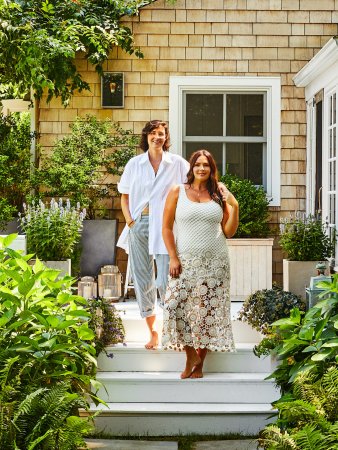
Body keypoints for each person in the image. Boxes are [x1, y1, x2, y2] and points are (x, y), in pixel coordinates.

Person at [162, 149, 239, 379]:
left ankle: (199, 363)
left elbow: (229, 231)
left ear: (211, 168)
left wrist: (234, 206)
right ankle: (189, 355)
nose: (202, 168)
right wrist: (173, 257)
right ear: (191, 167)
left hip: (215, 262)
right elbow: (166, 228)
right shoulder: (178, 191)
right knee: (174, 306)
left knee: (206, 312)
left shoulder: (218, 192)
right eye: (198, 164)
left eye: (206, 165)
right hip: (184, 262)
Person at [117, 120, 189, 349]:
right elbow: (124, 196)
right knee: (142, 277)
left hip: (166, 226)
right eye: (153, 133)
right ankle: (153, 332)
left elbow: (196, 184)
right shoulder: (135, 164)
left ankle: (171, 330)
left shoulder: (176, 163)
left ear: (166, 138)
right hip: (139, 225)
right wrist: (130, 221)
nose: (157, 137)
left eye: (162, 133)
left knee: (166, 279)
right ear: (146, 136)